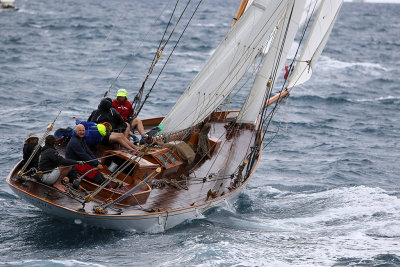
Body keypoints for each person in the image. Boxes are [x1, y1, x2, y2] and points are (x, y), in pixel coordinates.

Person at [73, 117, 138, 150]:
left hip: (96, 139)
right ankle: (132, 149)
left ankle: (134, 148)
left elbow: (80, 123)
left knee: (120, 135)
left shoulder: (92, 124)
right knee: (119, 137)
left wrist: (77, 120)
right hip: (100, 139)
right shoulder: (95, 125)